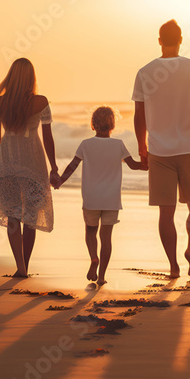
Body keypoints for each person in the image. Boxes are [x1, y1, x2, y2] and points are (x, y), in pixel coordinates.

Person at [132, 19, 190, 279]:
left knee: (166, 212)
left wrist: (142, 145)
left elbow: (139, 115)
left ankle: (173, 266)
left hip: (159, 151)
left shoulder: (144, 72)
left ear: (159, 40)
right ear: (181, 39)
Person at [55, 106, 145, 286]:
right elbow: (134, 166)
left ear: (93, 124)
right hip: (111, 199)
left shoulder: (86, 144)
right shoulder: (118, 144)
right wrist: (149, 162)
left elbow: (72, 166)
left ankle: (93, 258)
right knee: (106, 238)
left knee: (90, 231)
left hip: (91, 198)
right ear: (112, 125)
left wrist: (59, 181)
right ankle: (102, 275)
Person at [0, 58, 60, 278]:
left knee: (12, 215)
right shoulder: (41, 101)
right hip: (33, 161)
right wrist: (54, 166)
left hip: (6, 161)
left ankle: (20, 265)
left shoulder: (0, 103)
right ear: (31, 77)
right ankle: (24, 265)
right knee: (30, 216)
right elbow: (48, 137)